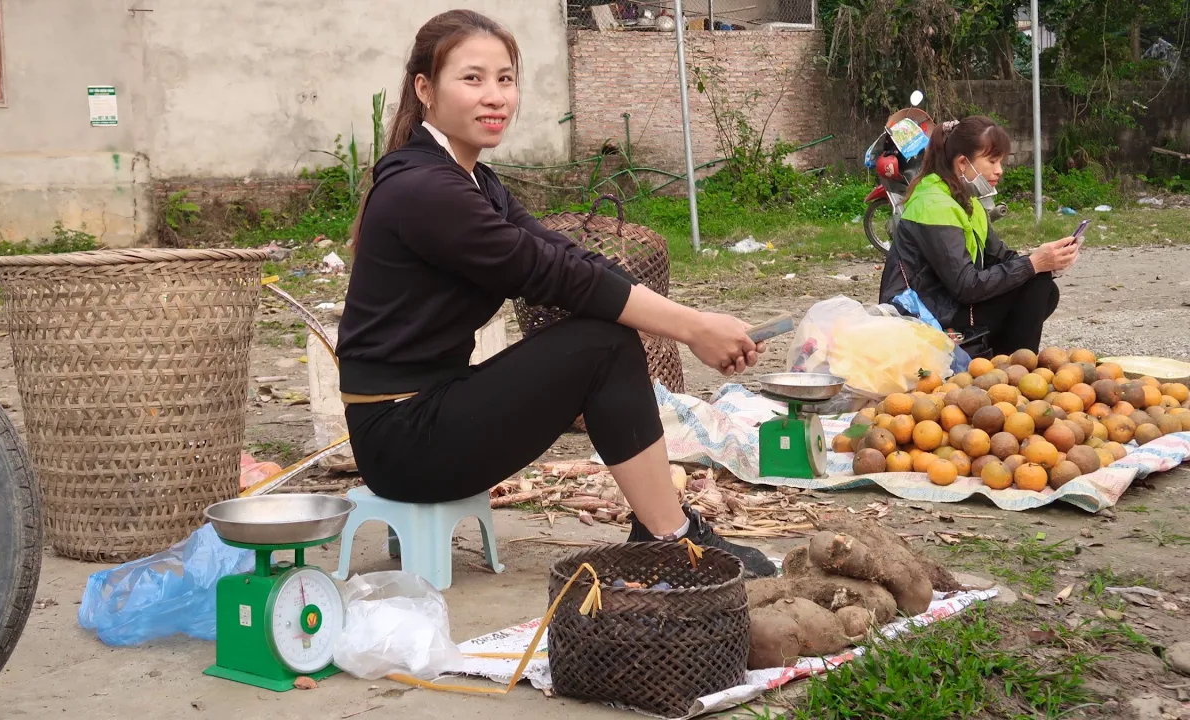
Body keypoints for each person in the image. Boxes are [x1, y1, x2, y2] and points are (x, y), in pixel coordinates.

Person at [336, 10, 775, 577]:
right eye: (472, 79)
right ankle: (670, 538)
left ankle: (662, 531)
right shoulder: (425, 190)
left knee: (600, 336)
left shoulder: (476, 183)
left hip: (434, 408)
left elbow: (566, 257)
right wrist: (692, 327)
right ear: (425, 90)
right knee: (600, 343)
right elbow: (557, 276)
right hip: (403, 439)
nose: (494, 96)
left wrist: (694, 320)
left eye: (505, 78)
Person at [878, 116, 1079, 355]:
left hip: (949, 300)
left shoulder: (967, 202)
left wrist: (1049, 261)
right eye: (992, 161)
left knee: (1041, 285)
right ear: (963, 163)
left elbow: (1001, 257)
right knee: (1035, 289)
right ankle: (1015, 370)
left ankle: (1001, 364)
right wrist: (1032, 264)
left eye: (1001, 161)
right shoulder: (934, 204)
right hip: (921, 311)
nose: (999, 170)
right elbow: (966, 286)